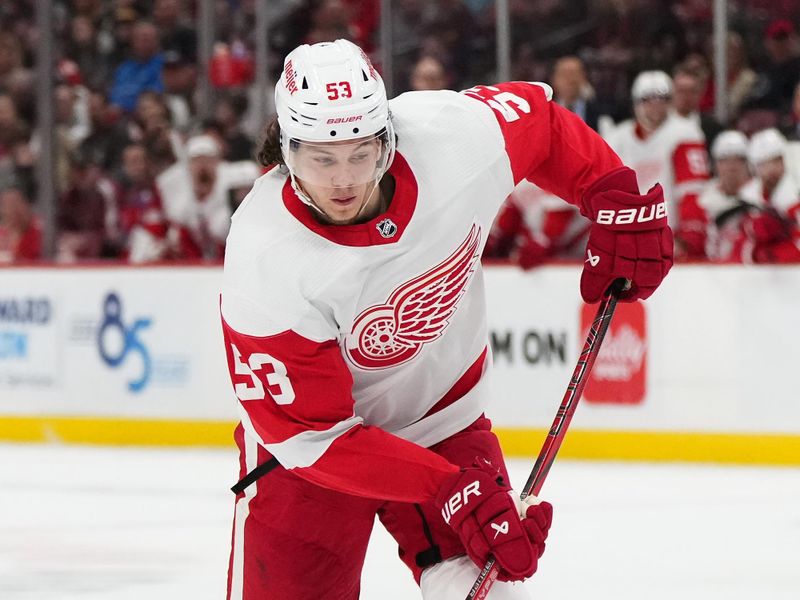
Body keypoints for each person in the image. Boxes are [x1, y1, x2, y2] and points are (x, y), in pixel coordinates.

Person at [220, 39, 673, 600]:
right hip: (314, 467)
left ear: (387, 138)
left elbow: (544, 126)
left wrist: (611, 193)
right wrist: (451, 489)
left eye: (361, 154)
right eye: (321, 159)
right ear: (287, 151)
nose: (343, 181)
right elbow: (314, 439)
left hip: (443, 423)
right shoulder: (265, 256)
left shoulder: (448, 137)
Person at [604, 70, 710, 258]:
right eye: (648, 99)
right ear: (636, 103)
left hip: (670, 237)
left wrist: (689, 237)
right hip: (628, 238)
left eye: (662, 99)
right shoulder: (617, 138)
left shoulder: (685, 133)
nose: (655, 106)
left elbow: (692, 190)